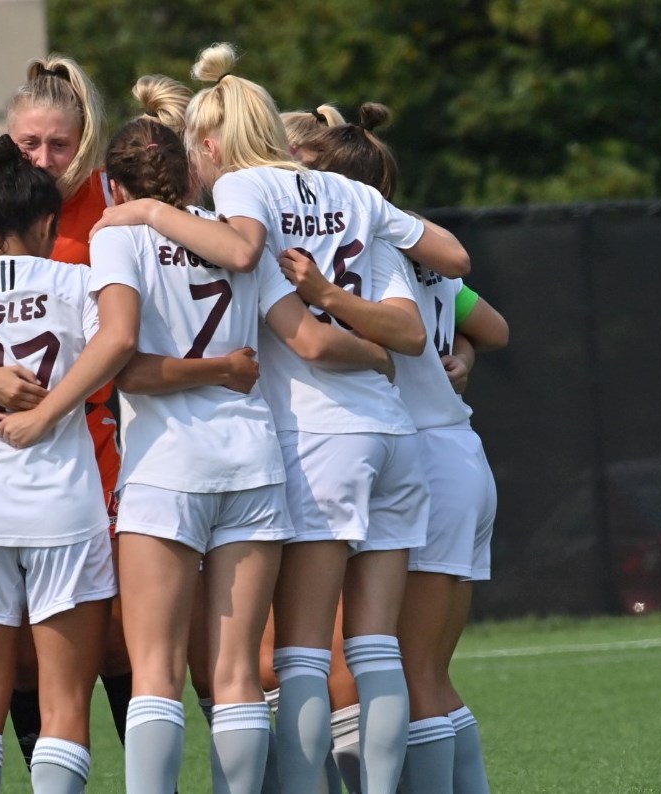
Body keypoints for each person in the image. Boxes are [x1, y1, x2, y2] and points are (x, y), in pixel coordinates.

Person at [92, 43, 470, 794]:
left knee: (299, 655)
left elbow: (275, 300)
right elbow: (446, 270)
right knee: (376, 651)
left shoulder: (239, 193)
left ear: (208, 145)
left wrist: (149, 210)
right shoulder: (352, 194)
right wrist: (371, 341)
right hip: (391, 437)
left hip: (310, 436)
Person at [0, 134, 135, 794]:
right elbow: (119, 342)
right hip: (62, 504)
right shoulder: (78, 282)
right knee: (65, 707)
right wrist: (50, 411)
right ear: (47, 224)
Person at [298, 107, 509, 794]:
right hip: (459, 455)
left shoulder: (367, 257)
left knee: (409, 677)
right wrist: (464, 351)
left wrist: (324, 296)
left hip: (425, 462)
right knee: (429, 677)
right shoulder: (417, 255)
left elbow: (402, 333)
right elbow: (495, 328)